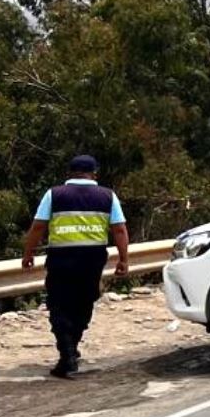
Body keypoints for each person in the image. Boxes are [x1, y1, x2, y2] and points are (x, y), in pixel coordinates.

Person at [21, 154, 130, 379]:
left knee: (59, 304)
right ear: (95, 173)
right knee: (84, 303)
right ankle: (72, 349)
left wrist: (28, 253)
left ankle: (67, 355)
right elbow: (119, 229)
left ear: (70, 173)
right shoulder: (108, 196)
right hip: (92, 258)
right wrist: (123, 259)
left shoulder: (54, 194)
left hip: (61, 257)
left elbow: (38, 227)